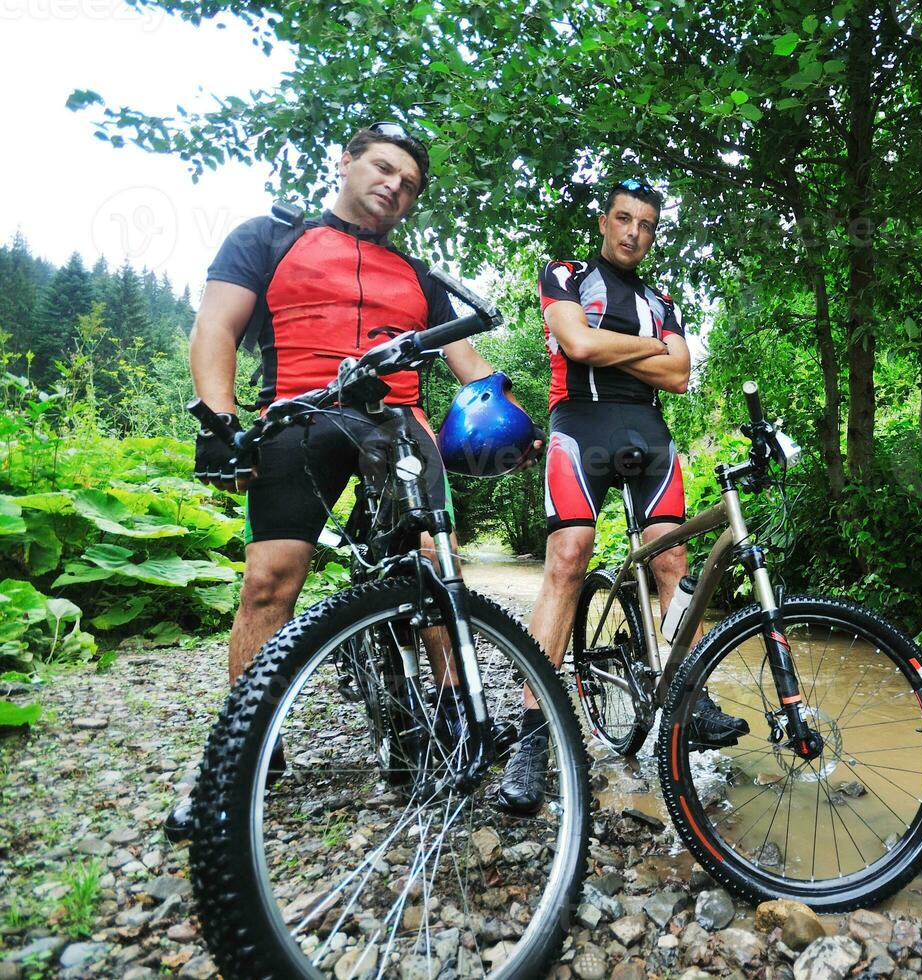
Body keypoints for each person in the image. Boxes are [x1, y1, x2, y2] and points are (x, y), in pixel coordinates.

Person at [165, 123, 512, 840]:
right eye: (383, 168)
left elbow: (469, 365)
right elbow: (216, 328)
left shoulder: (419, 276)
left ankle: (451, 711)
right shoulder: (268, 236)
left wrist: (510, 420)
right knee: (270, 577)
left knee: (430, 562)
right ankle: (247, 752)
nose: (395, 186)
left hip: (396, 420)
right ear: (346, 161)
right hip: (298, 411)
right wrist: (220, 422)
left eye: (409, 184)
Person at [499, 178, 747, 814]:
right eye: (623, 218)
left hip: (649, 429)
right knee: (568, 555)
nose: (633, 231)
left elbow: (682, 374)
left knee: (673, 561)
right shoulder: (564, 273)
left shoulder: (662, 298)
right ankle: (533, 736)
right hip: (579, 425)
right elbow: (576, 343)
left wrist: (612, 347)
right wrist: (646, 350)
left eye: (646, 224)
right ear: (604, 222)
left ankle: (692, 700)